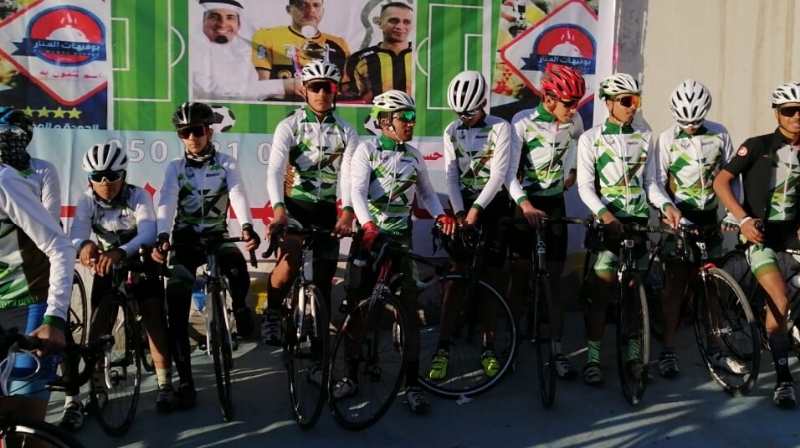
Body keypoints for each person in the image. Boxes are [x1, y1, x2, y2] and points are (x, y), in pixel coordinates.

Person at [333, 89, 456, 413]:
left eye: (414, 117)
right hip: (370, 237)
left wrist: (441, 215)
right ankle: (350, 376)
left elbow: (426, 194)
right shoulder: (367, 150)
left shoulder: (413, 156)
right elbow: (358, 192)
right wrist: (368, 226)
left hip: (401, 241)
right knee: (358, 310)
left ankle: (413, 384)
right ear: (386, 121)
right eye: (406, 117)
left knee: (409, 312)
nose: (412, 123)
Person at [59, 144, 177, 430]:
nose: (105, 183)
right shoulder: (86, 200)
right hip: (108, 264)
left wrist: (121, 252)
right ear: (89, 179)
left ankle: (164, 384)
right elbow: (76, 234)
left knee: (153, 319)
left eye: (112, 176)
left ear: (123, 175)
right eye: (97, 177)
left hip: (137, 258)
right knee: (98, 329)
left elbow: (148, 232)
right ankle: (97, 388)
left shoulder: (138, 195)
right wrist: (85, 245)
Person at [151, 102, 260, 409]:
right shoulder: (175, 167)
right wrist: (163, 235)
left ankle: (240, 308)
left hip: (216, 235)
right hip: (185, 240)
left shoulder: (226, 163)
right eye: (184, 132)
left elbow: (237, 193)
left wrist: (247, 226)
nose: (192, 138)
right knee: (176, 304)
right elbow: (167, 200)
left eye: (197, 131)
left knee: (235, 263)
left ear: (209, 132)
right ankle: (186, 382)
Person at [576, 73, 680, 386]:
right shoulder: (591, 138)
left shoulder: (645, 136)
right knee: (602, 293)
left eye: (636, 100)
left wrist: (666, 205)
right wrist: (605, 216)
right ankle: (593, 358)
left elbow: (651, 183)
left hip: (637, 225)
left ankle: (634, 357)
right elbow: (584, 186)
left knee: (636, 294)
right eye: (626, 101)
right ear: (608, 104)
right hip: (609, 225)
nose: (633, 106)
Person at [713, 82, 800, 409]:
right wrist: (743, 219)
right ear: (777, 113)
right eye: (789, 111)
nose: (796, 117)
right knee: (779, 299)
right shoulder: (758, 145)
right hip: (759, 237)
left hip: (792, 237)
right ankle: (783, 380)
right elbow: (721, 181)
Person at [653, 79, 745, 379]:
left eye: (696, 121)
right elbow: (656, 182)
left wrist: (733, 212)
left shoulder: (720, 133)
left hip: (708, 220)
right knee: (674, 289)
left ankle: (716, 349)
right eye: (684, 122)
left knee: (712, 289)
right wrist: (669, 210)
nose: (690, 126)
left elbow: (732, 177)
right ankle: (667, 351)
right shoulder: (667, 138)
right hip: (678, 220)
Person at [261, 60, 357, 349]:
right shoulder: (289, 126)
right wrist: (279, 209)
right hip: (294, 209)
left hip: (326, 211)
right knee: (289, 262)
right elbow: (275, 170)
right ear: (304, 90)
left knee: (324, 282)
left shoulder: (347, 131)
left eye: (327, 88)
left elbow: (348, 175)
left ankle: (319, 349)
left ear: (335, 90)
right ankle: (272, 314)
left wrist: (348, 211)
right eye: (315, 87)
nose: (321, 94)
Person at [428, 70, 512, 380]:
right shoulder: (452, 130)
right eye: (459, 113)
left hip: (492, 205)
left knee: (492, 278)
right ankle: (442, 348)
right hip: (464, 204)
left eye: (470, 113)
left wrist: (476, 210)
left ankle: (488, 347)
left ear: (484, 104)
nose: (464, 118)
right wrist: (461, 212)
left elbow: (498, 175)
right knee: (456, 276)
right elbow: (451, 176)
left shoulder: (500, 128)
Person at [506, 63, 585, 380]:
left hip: (553, 203)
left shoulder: (574, 120)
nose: (574, 109)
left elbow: (582, 147)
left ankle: (557, 349)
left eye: (577, 102)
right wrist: (525, 205)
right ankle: (511, 345)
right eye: (569, 103)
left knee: (554, 279)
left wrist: (573, 173)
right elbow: (508, 174)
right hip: (525, 204)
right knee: (519, 277)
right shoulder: (522, 122)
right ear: (549, 99)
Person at [0, 106, 75, 426]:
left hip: (28, 295)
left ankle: (71, 395)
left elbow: (55, 233)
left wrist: (54, 316)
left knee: (25, 425)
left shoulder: (24, 174)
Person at [192, 0, 302, 100]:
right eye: (214, 17)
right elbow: (210, 91)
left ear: (239, 24)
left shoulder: (247, 51)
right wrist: (282, 86)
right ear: (203, 21)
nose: (222, 24)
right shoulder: (191, 52)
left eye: (230, 18)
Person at [251, 0, 349, 101]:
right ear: (289, 9)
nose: (311, 10)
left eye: (316, 5)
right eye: (302, 5)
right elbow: (260, 86)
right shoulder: (267, 37)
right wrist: (285, 86)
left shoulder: (339, 44)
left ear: (322, 11)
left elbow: (345, 90)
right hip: (281, 106)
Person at [339, 2, 413, 103]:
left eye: (407, 22)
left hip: (416, 113)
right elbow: (350, 99)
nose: (400, 26)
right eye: (393, 21)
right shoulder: (359, 59)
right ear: (379, 23)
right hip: (377, 112)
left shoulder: (424, 55)